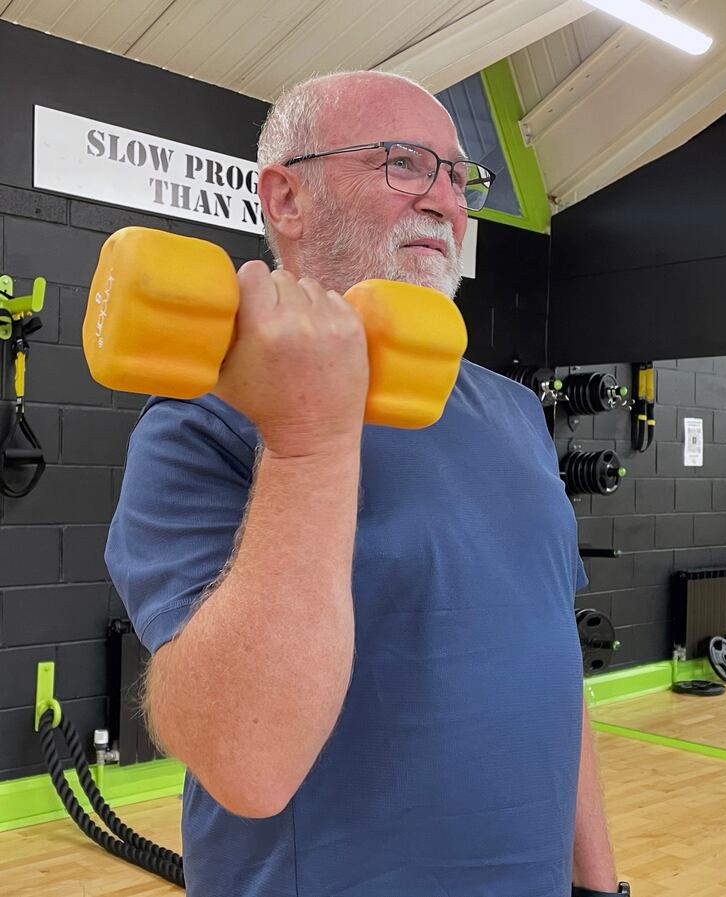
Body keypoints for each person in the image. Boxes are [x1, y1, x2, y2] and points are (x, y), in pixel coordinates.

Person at [106, 70, 623, 897]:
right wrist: (306, 440)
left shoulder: (516, 411)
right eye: (404, 163)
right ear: (286, 199)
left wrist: (599, 884)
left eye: (459, 177)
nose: (447, 203)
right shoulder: (203, 420)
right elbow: (246, 760)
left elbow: (553, 668)